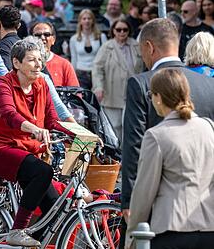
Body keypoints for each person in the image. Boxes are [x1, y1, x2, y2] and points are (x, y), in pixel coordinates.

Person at [120, 18, 214, 237]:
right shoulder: (209, 84)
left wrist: (129, 201)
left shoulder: (141, 83)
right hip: (206, 214)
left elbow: (134, 145)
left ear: (149, 47)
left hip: (163, 211)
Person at [0, 36, 70, 247]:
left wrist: (81, 134)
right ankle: (17, 231)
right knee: (43, 171)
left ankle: (27, 244)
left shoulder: (41, 85)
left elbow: (52, 121)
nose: (38, 64)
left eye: (40, 60)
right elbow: (9, 115)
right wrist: (34, 128)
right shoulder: (3, 84)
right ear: (16, 63)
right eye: (31, 60)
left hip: (27, 152)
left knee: (55, 210)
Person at [126, 68, 214, 249]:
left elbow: (144, 192)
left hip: (172, 228)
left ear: (158, 97)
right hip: (210, 228)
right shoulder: (209, 128)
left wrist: (132, 236)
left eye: (151, 95)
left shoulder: (156, 135)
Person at [92, 19, 143, 140]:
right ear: (113, 31)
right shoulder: (107, 47)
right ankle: (116, 150)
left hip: (132, 92)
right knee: (114, 127)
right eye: (118, 30)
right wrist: (99, 87)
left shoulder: (136, 46)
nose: (122, 32)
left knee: (131, 126)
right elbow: (97, 68)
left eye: (125, 30)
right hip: (112, 92)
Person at [30, 20, 79, 87]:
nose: (42, 38)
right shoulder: (24, 64)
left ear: (53, 39)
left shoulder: (64, 65)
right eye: (37, 35)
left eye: (47, 34)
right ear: (30, 39)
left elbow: (75, 91)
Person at [69, 9, 106, 90]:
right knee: (83, 97)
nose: (87, 21)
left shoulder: (101, 37)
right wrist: (72, 77)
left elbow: (104, 57)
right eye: (84, 19)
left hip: (96, 73)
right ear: (80, 21)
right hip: (80, 74)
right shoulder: (74, 39)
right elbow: (74, 58)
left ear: (93, 21)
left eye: (89, 18)